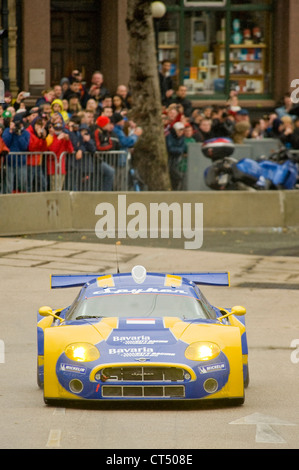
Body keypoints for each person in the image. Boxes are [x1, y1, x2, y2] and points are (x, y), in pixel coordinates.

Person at [111, 113, 142, 190]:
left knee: (122, 180)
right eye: (122, 120)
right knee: (119, 181)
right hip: (119, 160)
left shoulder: (120, 129)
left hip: (122, 159)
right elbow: (125, 142)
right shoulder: (117, 130)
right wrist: (135, 135)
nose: (124, 122)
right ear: (119, 121)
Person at [2, 114, 30, 193]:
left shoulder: (25, 133)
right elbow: (5, 143)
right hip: (9, 162)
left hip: (21, 163)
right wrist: (10, 132)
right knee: (9, 184)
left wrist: (19, 134)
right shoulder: (7, 131)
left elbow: (24, 146)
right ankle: (8, 200)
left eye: (19, 124)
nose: (18, 125)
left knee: (22, 183)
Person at [46, 121, 73, 191]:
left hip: (61, 168)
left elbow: (70, 150)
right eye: (56, 129)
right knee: (54, 188)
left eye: (59, 130)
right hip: (53, 168)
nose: (58, 131)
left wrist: (68, 140)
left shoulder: (64, 138)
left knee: (60, 188)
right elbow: (52, 150)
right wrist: (58, 139)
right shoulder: (50, 138)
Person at [26, 117, 48, 192]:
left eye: (41, 126)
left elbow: (43, 149)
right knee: (28, 185)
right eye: (38, 125)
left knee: (43, 183)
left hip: (37, 163)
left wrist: (43, 138)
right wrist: (39, 137)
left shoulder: (39, 135)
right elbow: (31, 148)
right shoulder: (28, 132)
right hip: (29, 163)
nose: (39, 127)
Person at [166, 121, 187, 190]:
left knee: (178, 177)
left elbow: (183, 147)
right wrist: (179, 150)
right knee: (175, 175)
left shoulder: (182, 138)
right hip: (170, 159)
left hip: (177, 159)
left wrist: (178, 150)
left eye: (182, 131)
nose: (180, 132)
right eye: (179, 130)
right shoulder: (169, 137)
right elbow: (170, 148)